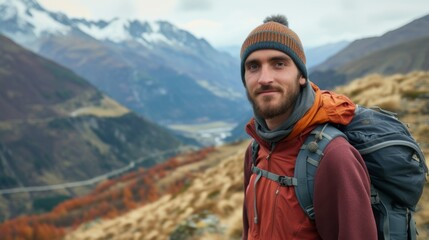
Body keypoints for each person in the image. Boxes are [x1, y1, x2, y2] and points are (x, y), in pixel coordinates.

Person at [240, 15, 377, 239]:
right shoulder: (256, 150)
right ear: (244, 78)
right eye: (253, 66)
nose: (265, 78)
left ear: (301, 76)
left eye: (279, 64)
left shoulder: (333, 157)